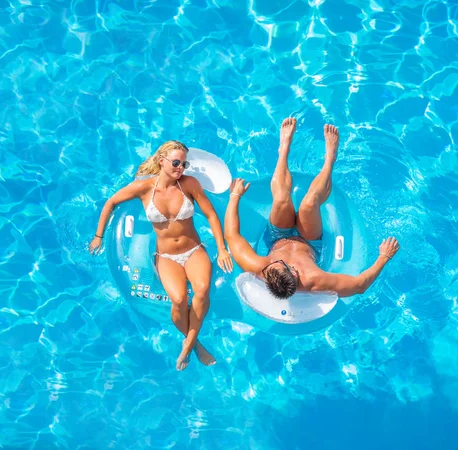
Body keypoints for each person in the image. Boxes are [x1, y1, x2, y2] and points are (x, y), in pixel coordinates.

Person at [89, 140, 233, 370]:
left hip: (193, 250)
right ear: (161, 161)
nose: (180, 168)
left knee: (202, 290)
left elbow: (212, 216)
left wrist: (223, 248)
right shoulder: (145, 189)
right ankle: (196, 345)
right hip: (166, 256)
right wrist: (99, 236)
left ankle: (187, 348)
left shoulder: (189, 184)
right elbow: (111, 202)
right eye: (176, 163)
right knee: (178, 301)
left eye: (184, 164)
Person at [224, 118, 400, 299]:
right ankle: (330, 159)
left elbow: (231, 235)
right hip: (309, 242)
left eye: (277, 263)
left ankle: (283, 149)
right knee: (309, 203)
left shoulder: (259, 266)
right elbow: (359, 286)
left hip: (277, 236)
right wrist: (384, 257)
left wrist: (234, 197)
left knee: (282, 200)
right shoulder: (313, 279)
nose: (283, 261)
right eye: (284, 264)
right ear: (294, 273)